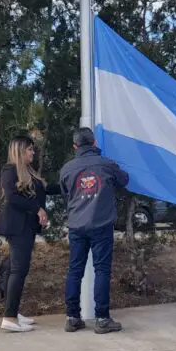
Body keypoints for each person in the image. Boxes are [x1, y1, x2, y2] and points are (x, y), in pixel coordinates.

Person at [60, 127, 129, 334]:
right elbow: (124, 180)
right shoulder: (106, 164)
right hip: (101, 225)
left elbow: (66, 194)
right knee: (102, 270)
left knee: (75, 271)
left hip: (76, 226)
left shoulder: (67, 169)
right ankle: (102, 319)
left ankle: (72, 317)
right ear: (94, 143)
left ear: (75, 146)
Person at [0, 135, 58, 333]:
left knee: (15, 269)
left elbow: (45, 190)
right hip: (17, 227)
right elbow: (12, 198)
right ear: (20, 151)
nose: (33, 152)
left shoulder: (28, 172)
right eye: (30, 149)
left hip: (26, 227)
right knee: (18, 270)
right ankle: (9, 318)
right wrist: (37, 209)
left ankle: (12, 311)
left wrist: (70, 185)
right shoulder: (9, 171)